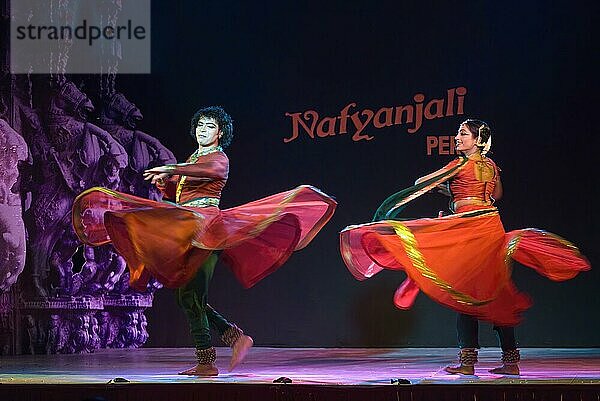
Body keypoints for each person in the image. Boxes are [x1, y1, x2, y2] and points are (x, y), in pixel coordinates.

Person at [73, 106, 337, 376]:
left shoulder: (218, 157)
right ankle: (233, 339)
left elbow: (208, 171)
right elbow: (181, 194)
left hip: (208, 229)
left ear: (220, 132)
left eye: (209, 126)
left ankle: (207, 361)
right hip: (189, 226)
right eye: (199, 124)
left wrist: (172, 168)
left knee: (190, 295)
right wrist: (167, 181)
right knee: (187, 296)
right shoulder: (194, 159)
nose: (202, 129)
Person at [339, 119, 590, 376]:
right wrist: (457, 190)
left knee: (465, 293)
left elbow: (420, 181)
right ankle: (511, 362)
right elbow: (496, 195)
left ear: (477, 140)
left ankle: (468, 362)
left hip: (470, 229)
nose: (457, 138)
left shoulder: (459, 164)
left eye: (462, 134)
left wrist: (447, 185)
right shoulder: (492, 166)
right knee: (495, 290)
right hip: (492, 226)